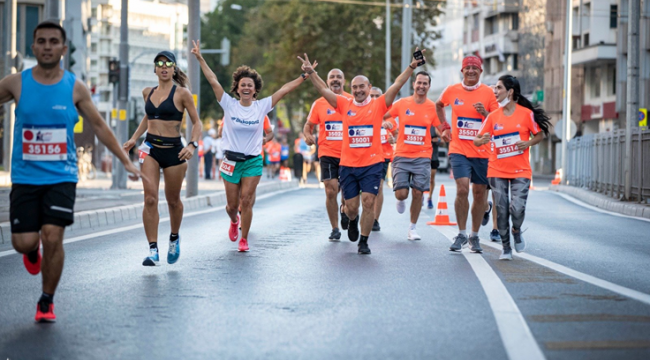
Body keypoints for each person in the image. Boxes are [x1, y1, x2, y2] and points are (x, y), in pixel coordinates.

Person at [0, 21, 143, 322]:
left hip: (61, 177)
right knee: (23, 242)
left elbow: (101, 127)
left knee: (53, 236)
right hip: (25, 177)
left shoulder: (74, 87)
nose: (47, 46)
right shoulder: (16, 82)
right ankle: (31, 251)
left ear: (64, 49)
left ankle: (46, 300)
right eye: (41, 41)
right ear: (34, 47)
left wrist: (126, 160)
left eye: (54, 41)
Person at [299, 49, 426, 255]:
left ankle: (364, 241)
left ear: (369, 88)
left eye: (362, 87)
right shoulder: (343, 104)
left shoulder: (378, 105)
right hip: (348, 165)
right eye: (355, 87)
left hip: (372, 164)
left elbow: (397, 84)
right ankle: (352, 220)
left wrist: (412, 66)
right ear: (351, 89)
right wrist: (311, 73)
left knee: (369, 201)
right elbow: (323, 89)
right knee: (351, 207)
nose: (358, 90)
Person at [192, 40, 306, 252]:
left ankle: (243, 239)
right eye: (242, 84)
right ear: (237, 88)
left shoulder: (262, 106)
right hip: (230, 161)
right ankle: (234, 220)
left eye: (249, 85)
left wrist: (304, 76)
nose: (246, 87)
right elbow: (213, 80)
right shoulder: (228, 104)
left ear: (255, 90)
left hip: (253, 160)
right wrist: (200, 58)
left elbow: (284, 90)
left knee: (247, 201)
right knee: (232, 206)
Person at [124, 50, 202, 267]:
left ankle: (174, 237)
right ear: (155, 69)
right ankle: (152, 250)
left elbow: (197, 123)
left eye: (168, 63)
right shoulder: (147, 92)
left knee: (173, 201)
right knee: (150, 198)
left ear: (174, 68)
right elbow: (149, 117)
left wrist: (192, 145)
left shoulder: (182, 93)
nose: (164, 67)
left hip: (174, 151)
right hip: (150, 148)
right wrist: (133, 139)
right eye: (160, 63)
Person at [473, 75, 550, 260]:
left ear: (510, 91)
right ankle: (506, 248)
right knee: (501, 209)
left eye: (499, 88)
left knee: (517, 209)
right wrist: (480, 140)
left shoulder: (526, 114)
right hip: (496, 169)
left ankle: (516, 230)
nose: (495, 92)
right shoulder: (493, 116)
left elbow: (539, 135)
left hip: (521, 171)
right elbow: (477, 139)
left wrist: (528, 143)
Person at [436, 55, 498, 253]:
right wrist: (444, 127)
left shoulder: (489, 93)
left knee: (479, 193)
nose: (471, 70)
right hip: (458, 149)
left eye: (475, 68)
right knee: (462, 189)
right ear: (462, 71)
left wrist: (485, 115)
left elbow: (497, 122)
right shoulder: (452, 90)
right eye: (467, 67)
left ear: (481, 71)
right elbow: (438, 105)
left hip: (482, 151)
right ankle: (461, 234)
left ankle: (474, 235)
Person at [386, 71, 443, 240]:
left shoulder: (432, 107)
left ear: (429, 86)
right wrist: (389, 127)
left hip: (423, 155)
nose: (421, 86)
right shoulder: (402, 103)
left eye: (425, 83)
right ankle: (401, 199)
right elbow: (383, 117)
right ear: (413, 84)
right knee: (402, 193)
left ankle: (412, 227)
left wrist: (446, 135)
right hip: (402, 154)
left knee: (418, 192)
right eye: (419, 82)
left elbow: (441, 129)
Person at [303, 68, 353, 241]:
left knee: (348, 193)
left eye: (339, 77)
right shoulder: (319, 103)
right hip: (327, 152)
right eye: (332, 77)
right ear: (327, 81)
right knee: (331, 191)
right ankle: (335, 228)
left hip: (350, 154)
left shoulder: (352, 101)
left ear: (344, 81)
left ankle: (346, 210)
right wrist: (308, 135)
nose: (335, 80)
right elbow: (308, 125)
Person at [369, 86, 395, 232]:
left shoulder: (388, 115)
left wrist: (392, 137)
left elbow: (397, 135)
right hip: (363, 156)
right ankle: (365, 214)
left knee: (378, 188)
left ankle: (375, 220)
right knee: (364, 191)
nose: (373, 99)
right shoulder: (362, 113)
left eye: (377, 96)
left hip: (382, 156)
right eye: (371, 95)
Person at [426, 126, 443, 209]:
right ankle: (419, 195)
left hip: (433, 157)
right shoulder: (423, 123)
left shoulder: (436, 126)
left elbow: (443, 141)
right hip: (422, 156)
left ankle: (429, 197)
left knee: (431, 179)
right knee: (421, 178)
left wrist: (438, 140)